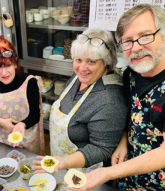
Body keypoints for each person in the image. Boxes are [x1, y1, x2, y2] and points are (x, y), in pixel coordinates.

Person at [73, 4, 165, 191]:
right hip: (127, 172)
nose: (136, 47)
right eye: (128, 41)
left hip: (158, 189)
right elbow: (131, 114)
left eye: (145, 36)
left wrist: (108, 173)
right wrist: (122, 141)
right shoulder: (133, 73)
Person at [36, 29, 127, 172]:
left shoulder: (110, 100)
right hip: (61, 161)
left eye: (91, 61)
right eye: (78, 59)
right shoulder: (79, 77)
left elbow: (102, 148)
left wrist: (64, 162)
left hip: (86, 171)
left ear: (106, 62)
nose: (82, 68)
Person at [0, 33, 44, 154]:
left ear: (14, 63)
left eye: (8, 65)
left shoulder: (30, 82)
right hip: (1, 139)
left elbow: (35, 115)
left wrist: (22, 125)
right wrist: (3, 122)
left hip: (27, 139)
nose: (4, 73)